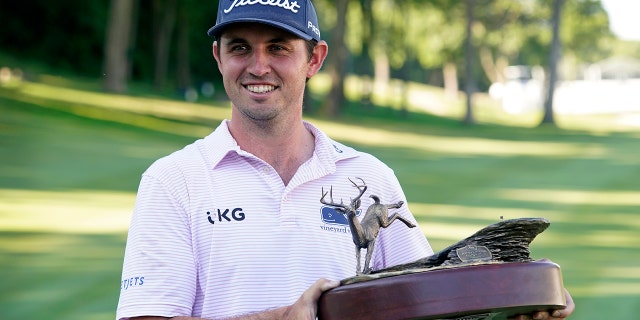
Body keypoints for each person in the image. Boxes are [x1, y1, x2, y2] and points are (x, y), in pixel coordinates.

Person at [116, 1, 575, 319]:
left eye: (278, 47)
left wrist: (513, 304)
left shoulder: (370, 177)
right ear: (218, 56)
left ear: (314, 59)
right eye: (240, 47)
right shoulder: (173, 181)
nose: (258, 66)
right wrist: (280, 319)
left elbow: (426, 304)